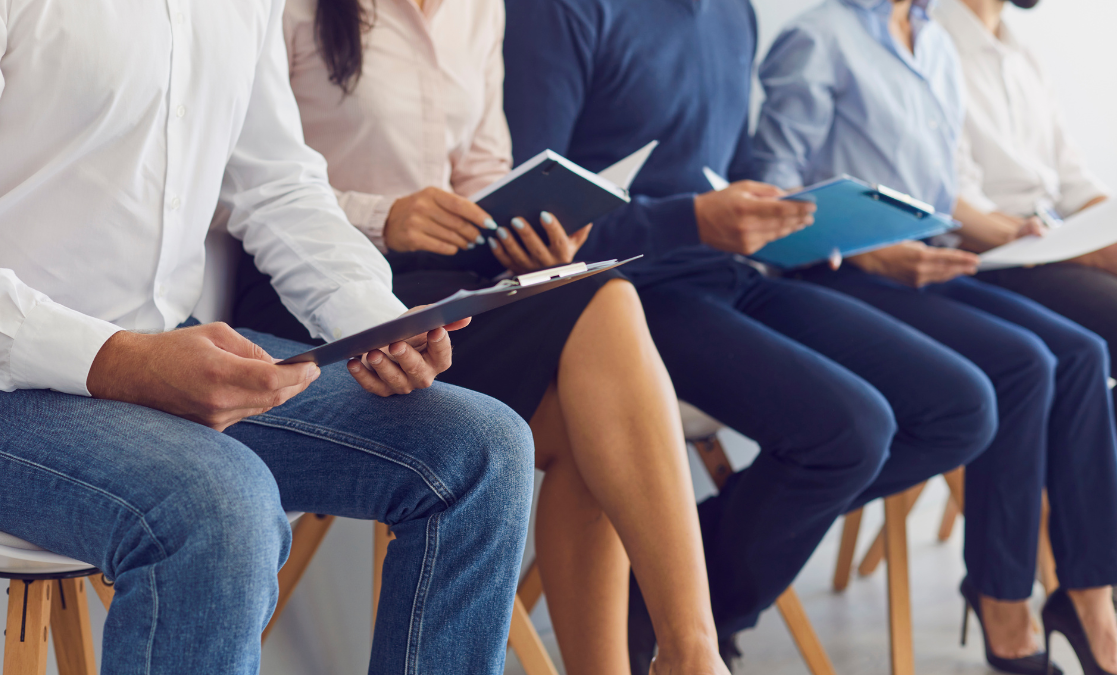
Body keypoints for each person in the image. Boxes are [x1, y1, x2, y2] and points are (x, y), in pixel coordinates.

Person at [0, 2, 538, 673]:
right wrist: (118, 362)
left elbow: (275, 183)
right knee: (219, 506)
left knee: (480, 450)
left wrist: (369, 317)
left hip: (157, 344)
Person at [502, 0, 1001, 670]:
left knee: (961, 404)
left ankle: (662, 593)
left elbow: (725, 174)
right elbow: (532, 218)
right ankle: (684, 625)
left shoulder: (733, 14)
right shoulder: (563, 12)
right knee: (852, 429)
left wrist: (794, 219)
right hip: (619, 298)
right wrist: (693, 220)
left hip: (726, 273)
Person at [232, 1, 728, 673]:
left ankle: (672, 654)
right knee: (608, 301)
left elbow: (483, 170)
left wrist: (526, 230)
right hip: (309, 290)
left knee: (597, 427)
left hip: (443, 280)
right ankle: (693, 655)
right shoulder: (290, 8)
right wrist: (387, 218)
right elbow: (245, 176)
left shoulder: (478, 7)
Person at [753, 1, 1117, 673]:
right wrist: (867, 252)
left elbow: (944, 197)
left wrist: (1030, 233)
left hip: (925, 269)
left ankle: (1091, 592)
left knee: (1080, 353)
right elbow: (767, 197)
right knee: (1024, 364)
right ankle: (1002, 599)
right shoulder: (819, 36)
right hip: (841, 275)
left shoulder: (932, 45)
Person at [933, 0, 1116, 385]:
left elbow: (1073, 181)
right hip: (996, 256)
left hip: (1052, 239)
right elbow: (951, 199)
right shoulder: (933, 46)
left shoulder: (1021, 54)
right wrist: (1084, 251)